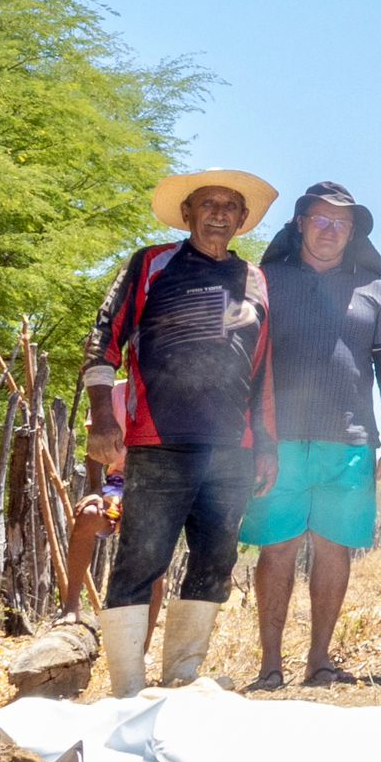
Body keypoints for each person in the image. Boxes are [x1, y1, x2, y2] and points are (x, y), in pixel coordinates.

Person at [82, 169, 279, 697]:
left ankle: (183, 677)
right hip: (158, 440)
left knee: (216, 560)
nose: (219, 213)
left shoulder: (255, 280)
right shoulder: (151, 263)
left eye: (230, 206)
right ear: (187, 213)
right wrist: (103, 417)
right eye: (208, 204)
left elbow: (263, 370)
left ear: (242, 218)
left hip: (232, 449)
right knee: (141, 560)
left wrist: (266, 444)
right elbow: (103, 338)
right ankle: (127, 687)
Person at [240, 182, 381, 690]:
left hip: (350, 441)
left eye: (341, 223)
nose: (330, 230)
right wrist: (252, 437)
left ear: (353, 232)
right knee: (278, 548)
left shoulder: (375, 291)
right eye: (320, 219)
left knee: (335, 549)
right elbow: (246, 363)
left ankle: (320, 661)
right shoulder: (266, 281)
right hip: (278, 442)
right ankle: (270, 665)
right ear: (300, 224)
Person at [61, 382, 165, 634]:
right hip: (119, 482)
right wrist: (96, 490)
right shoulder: (111, 393)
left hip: (161, 485)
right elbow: (95, 447)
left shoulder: (172, 393)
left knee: (155, 551)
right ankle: (70, 606)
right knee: (88, 515)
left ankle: (143, 645)